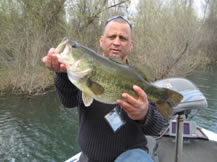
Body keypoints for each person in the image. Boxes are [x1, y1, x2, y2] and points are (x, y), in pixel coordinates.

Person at [42, 16, 166, 162]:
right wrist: (62, 73)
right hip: (90, 157)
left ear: (130, 45)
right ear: (101, 41)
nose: (116, 42)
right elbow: (68, 101)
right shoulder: (83, 75)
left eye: (123, 38)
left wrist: (144, 114)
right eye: (111, 37)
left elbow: (158, 127)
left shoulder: (138, 79)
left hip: (131, 156)